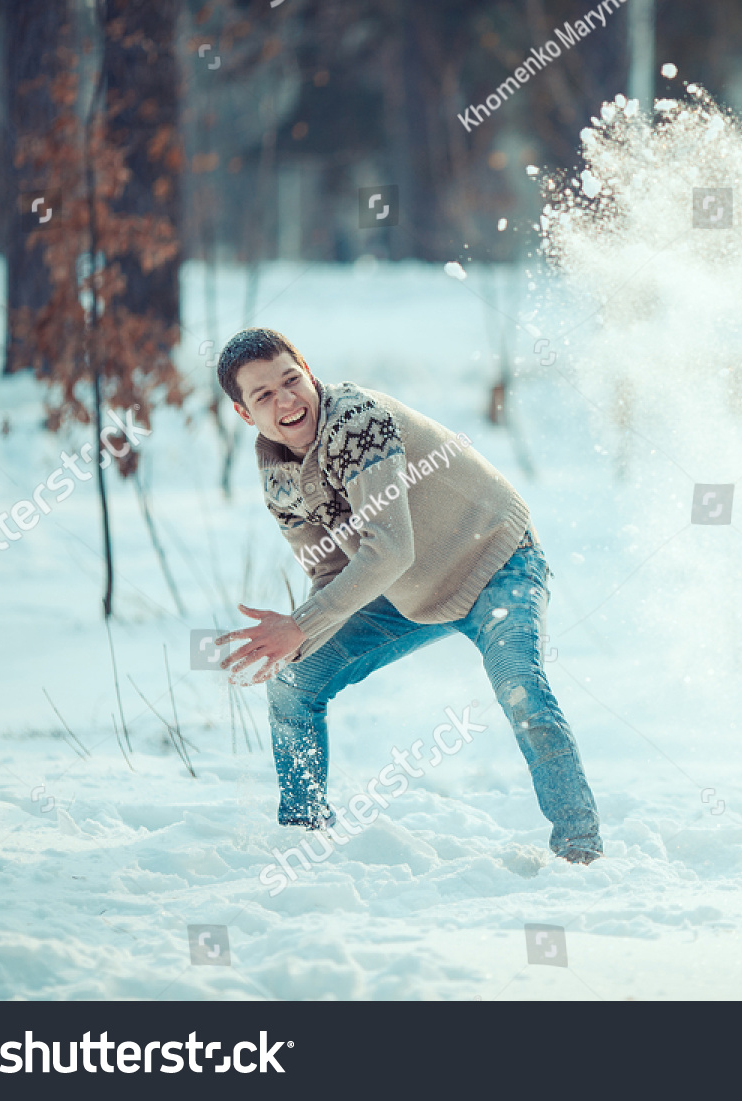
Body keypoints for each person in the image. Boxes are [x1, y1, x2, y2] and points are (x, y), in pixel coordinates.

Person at [213, 328, 602, 864]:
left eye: (291, 379)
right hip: (409, 592)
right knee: (292, 683)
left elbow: (389, 551)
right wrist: (295, 642)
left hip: (495, 560)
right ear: (242, 413)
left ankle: (580, 850)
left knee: (520, 687)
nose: (286, 400)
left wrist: (300, 624)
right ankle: (303, 838)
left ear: (308, 371)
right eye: (263, 395)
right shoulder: (279, 478)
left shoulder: (356, 422)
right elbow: (332, 572)